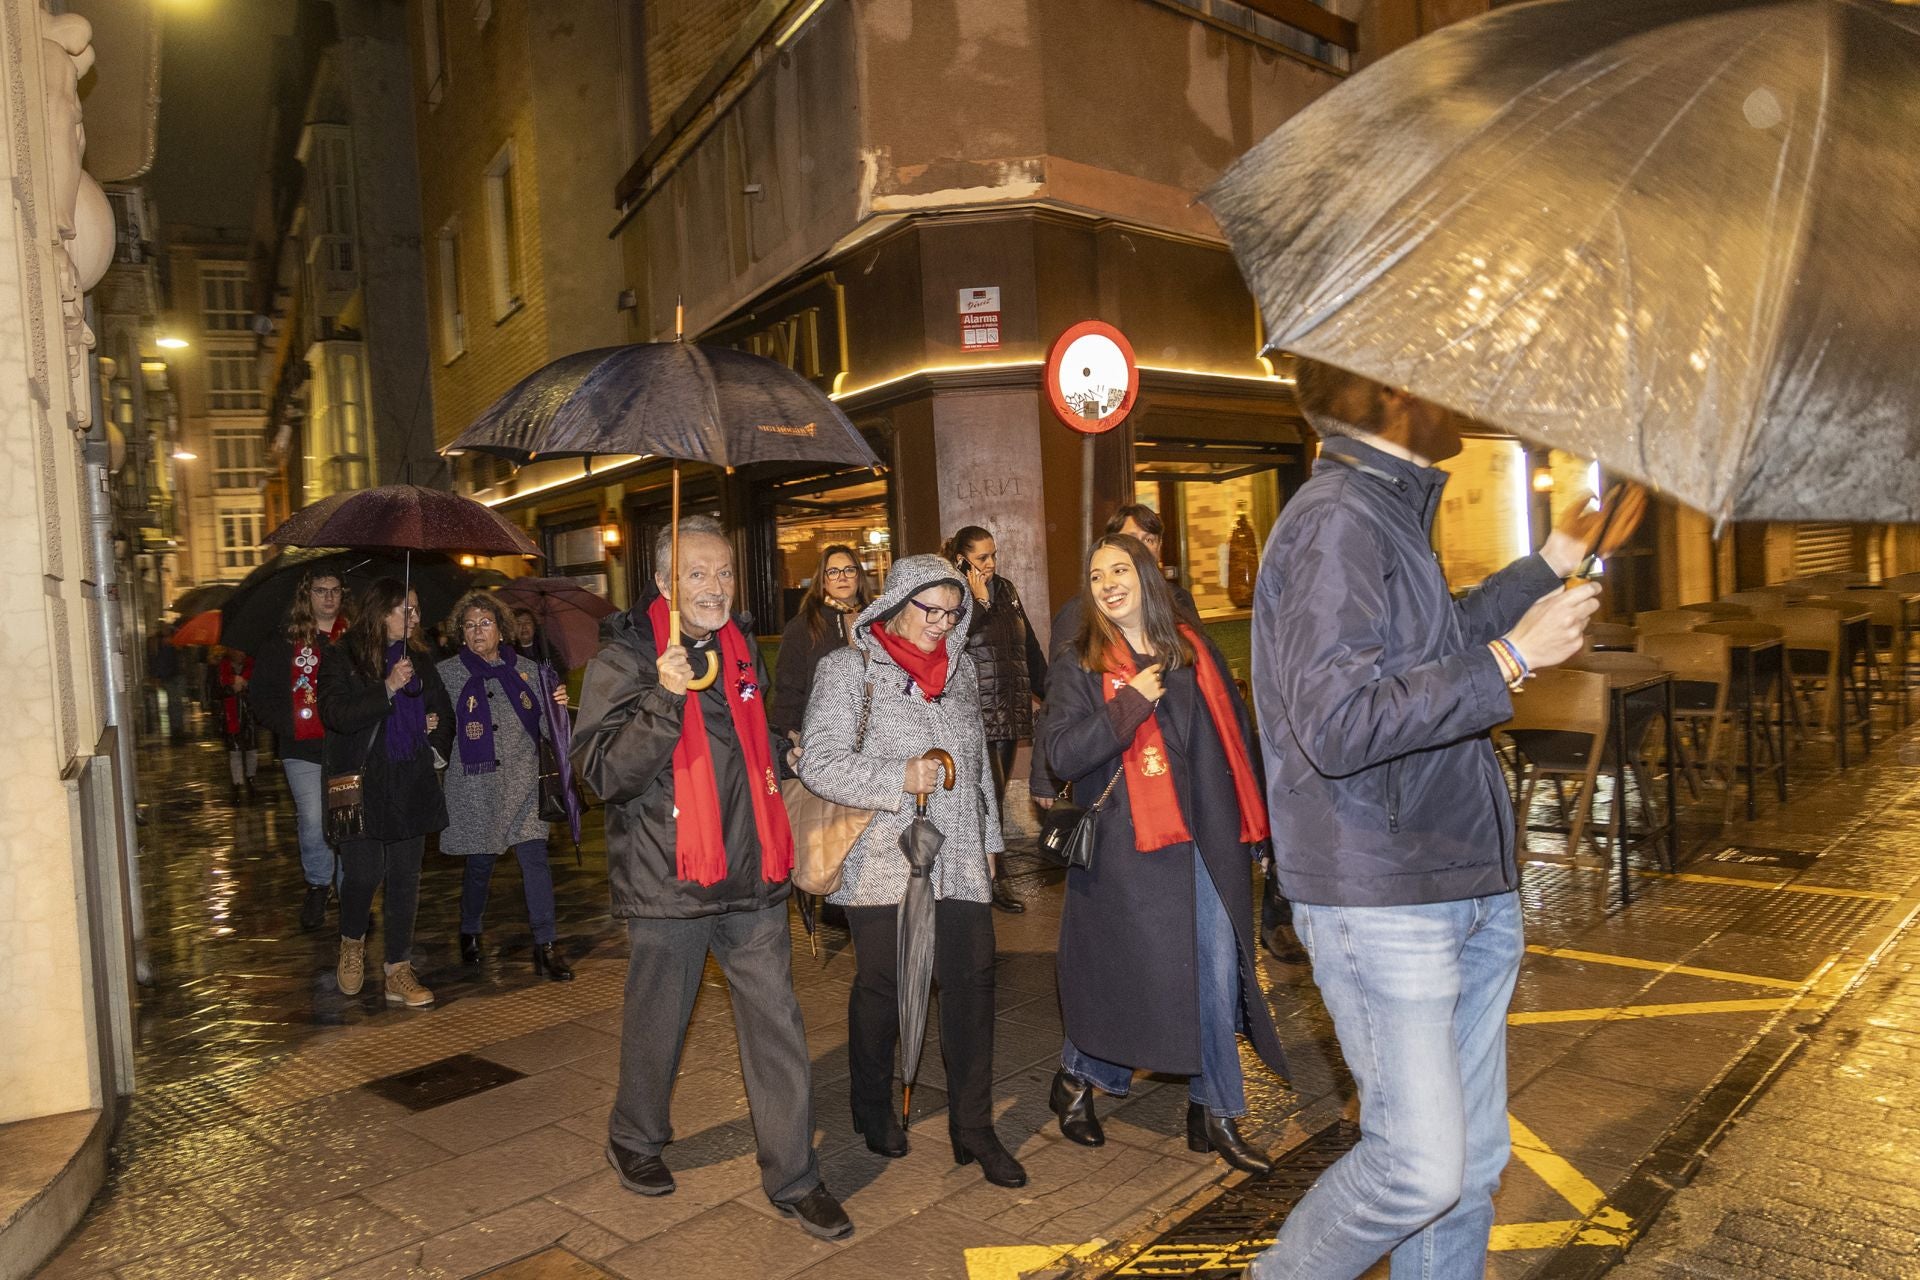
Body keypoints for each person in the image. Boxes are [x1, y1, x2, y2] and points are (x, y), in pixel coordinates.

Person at [1247, 360, 1643, 1280]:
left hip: (1457, 881)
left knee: (1468, 1172)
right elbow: (1341, 724)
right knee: (1417, 1169)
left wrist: (1547, 563)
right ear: (1395, 393)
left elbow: (1434, 641)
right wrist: (1513, 656)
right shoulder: (1337, 519)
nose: (1468, 393)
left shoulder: (1385, 509)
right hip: (1386, 896)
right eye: (1443, 376)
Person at [571, 515, 851, 1242]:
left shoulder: (739, 650)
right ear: (666, 580)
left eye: (724, 572)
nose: (714, 587)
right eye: (697, 574)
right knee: (659, 1023)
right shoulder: (628, 655)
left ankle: (795, 1176)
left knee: (778, 1024)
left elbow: (746, 747)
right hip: (669, 882)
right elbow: (601, 773)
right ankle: (635, 1136)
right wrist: (664, 699)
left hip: (753, 873)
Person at [1040, 535, 1286, 1174]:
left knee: (1213, 968)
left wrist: (1262, 831)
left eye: (1120, 570)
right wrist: (1128, 705)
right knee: (1137, 980)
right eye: (1096, 575)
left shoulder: (1191, 651)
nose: (1108, 583)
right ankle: (1077, 1076)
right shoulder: (1079, 662)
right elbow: (1061, 756)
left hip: (1206, 842)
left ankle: (1216, 1112)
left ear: (1148, 576)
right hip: (1132, 854)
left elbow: (1235, 745)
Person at [797, 554, 1027, 1188]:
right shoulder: (847, 671)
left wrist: (987, 841)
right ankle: (871, 1105)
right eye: (932, 610)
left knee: (973, 985)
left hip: (958, 861)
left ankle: (973, 1129)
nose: (943, 623)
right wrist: (897, 778)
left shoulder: (959, 671)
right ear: (898, 602)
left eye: (954, 613)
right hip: (880, 860)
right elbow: (819, 764)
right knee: (885, 988)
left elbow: (979, 765)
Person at [319, 577, 453, 1010]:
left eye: (416, 610)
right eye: (405, 610)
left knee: (405, 879)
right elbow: (337, 715)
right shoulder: (342, 657)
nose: (414, 618)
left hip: (409, 780)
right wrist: (387, 688)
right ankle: (353, 941)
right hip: (361, 784)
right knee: (361, 874)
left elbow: (442, 709)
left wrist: (432, 732)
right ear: (380, 613)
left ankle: (398, 968)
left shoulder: (419, 657)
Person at [436, 591, 574, 981]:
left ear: (501, 629)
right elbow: (438, 725)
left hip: (525, 784)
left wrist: (558, 706)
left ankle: (546, 944)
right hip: (474, 788)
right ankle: (470, 927)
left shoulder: (529, 670)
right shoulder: (447, 674)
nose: (478, 631)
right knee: (480, 864)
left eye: (485, 623)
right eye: (469, 624)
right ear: (460, 633)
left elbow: (549, 732)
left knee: (535, 861)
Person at [944, 524, 1046, 913]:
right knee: (981, 801)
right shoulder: (953, 592)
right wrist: (979, 602)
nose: (990, 563)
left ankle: (988, 875)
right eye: (982, 557)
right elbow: (951, 645)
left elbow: (1028, 645)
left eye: (993, 555)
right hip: (974, 714)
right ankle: (989, 878)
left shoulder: (1007, 589)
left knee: (994, 799)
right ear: (961, 558)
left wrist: (1050, 693)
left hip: (1008, 709)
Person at [248, 570, 350, 930]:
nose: (328, 597)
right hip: (302, 748)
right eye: (321, 590)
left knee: (347, 819)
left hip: (346, 747)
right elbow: (260, 696)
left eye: (335, 590)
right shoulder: (283, 641)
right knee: (313, 819)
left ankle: (349, 893)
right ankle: (319, 884)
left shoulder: (351, 638)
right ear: (307, 596)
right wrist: (291, 724)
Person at [213, 646, 259, 801]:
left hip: (249, 714)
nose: (240, 654)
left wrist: (246, 684)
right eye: (237, 651)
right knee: (235, 750)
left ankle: (251, 780)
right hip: (230, 715)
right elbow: (216, 691)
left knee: (251, 749)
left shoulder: (252, 665)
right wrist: (232, 687)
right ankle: (237, 783)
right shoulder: (223, 667)